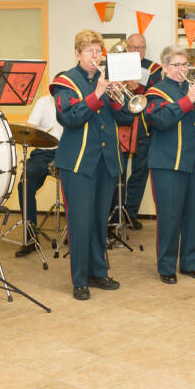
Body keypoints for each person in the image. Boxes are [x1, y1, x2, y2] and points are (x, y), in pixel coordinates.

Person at [51, 30, 134, 300]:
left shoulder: (107, 80)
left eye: (99, 51)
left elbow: (126, 117)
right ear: (78, 54)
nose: (95, 56)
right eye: (90, 51)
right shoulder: (65, 82)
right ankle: (80, 280)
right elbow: (70, 118)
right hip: (78, 163)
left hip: (106, 161)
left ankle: (98, 272)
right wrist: (98, 93)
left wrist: (122, 97)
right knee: (80, 222)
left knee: (99, 221)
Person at [145, 46, 195, 284]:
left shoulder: (191, 87)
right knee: (170, 217)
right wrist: (188, 100)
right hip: (169, 162)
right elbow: (160, 120)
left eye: (185, 64)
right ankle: (166, 266)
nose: (182, 69)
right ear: (165, 68)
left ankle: (191, 263)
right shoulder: (156, 91)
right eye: (177, 65)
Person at [14, 86, 63, 257]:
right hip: (43, 152)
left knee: (78, 184)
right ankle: (31, 236)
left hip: (67, 152)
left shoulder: (76, 101)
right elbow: (30, 127)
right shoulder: (43, 102)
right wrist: (35, 134)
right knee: (25, 184)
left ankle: (75, 235)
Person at [121, 33, 163, 231]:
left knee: (140, 173)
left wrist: (138, 90)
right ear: (127, 48)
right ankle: (115, 213)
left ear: (145, 49)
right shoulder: (117, 66)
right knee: (118, 173)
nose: (137, 51)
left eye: (140, 47)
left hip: (145, 128)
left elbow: (155, 98)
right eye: (133, 47)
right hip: (122, 127)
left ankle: (130, 213)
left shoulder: (154, 69)